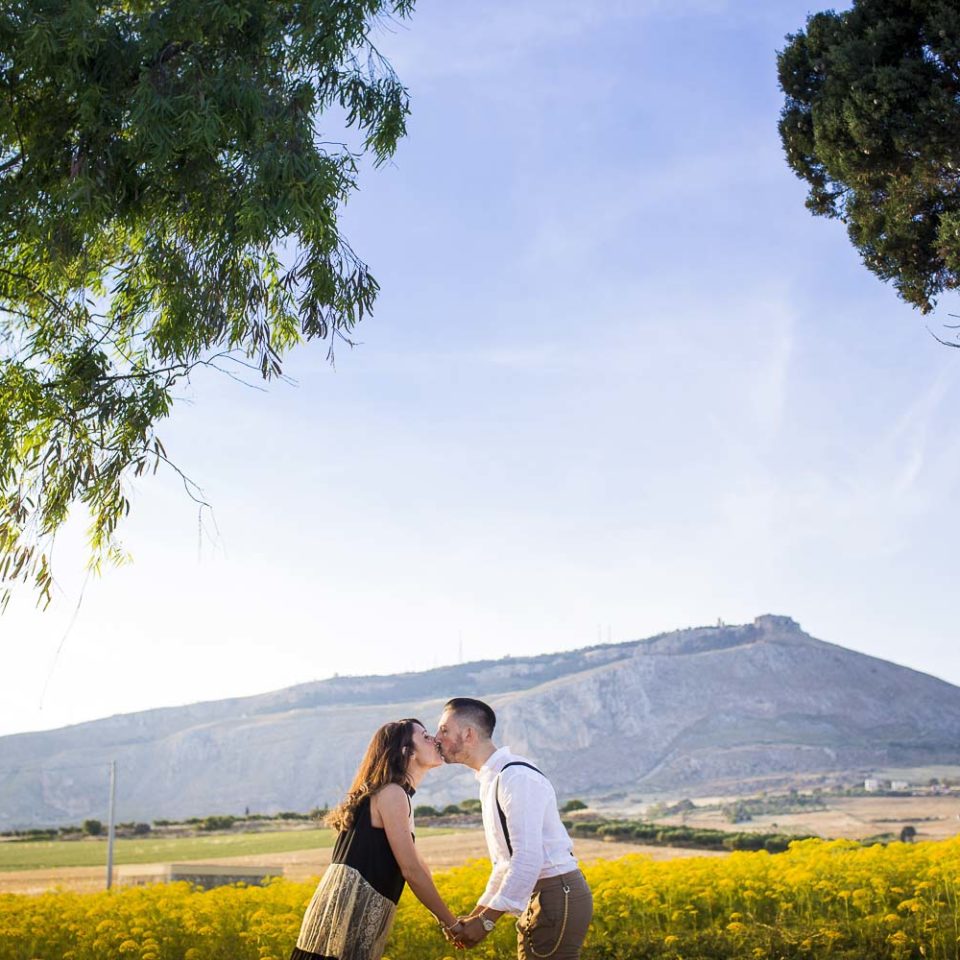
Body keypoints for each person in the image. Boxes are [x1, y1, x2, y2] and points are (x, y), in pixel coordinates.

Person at [290, 718, 464, 960]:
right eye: (425, 736)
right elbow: (411, 870)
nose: (434, 739)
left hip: (347, 919)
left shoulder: (392, 793)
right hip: (347, 920)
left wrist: (449, 919)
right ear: (407, 752)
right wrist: (452, 925)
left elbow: (419, 866)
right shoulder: (392, 793)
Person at [435, 698, 593, 959]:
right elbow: (505, 863)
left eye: (444, 730)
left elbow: (528, 858)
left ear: (468, 734)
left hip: (555, 895)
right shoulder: (494, 779)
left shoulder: (515, 778)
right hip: (545, 896)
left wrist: (487, 921)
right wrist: (477, 914)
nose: (437, 738)